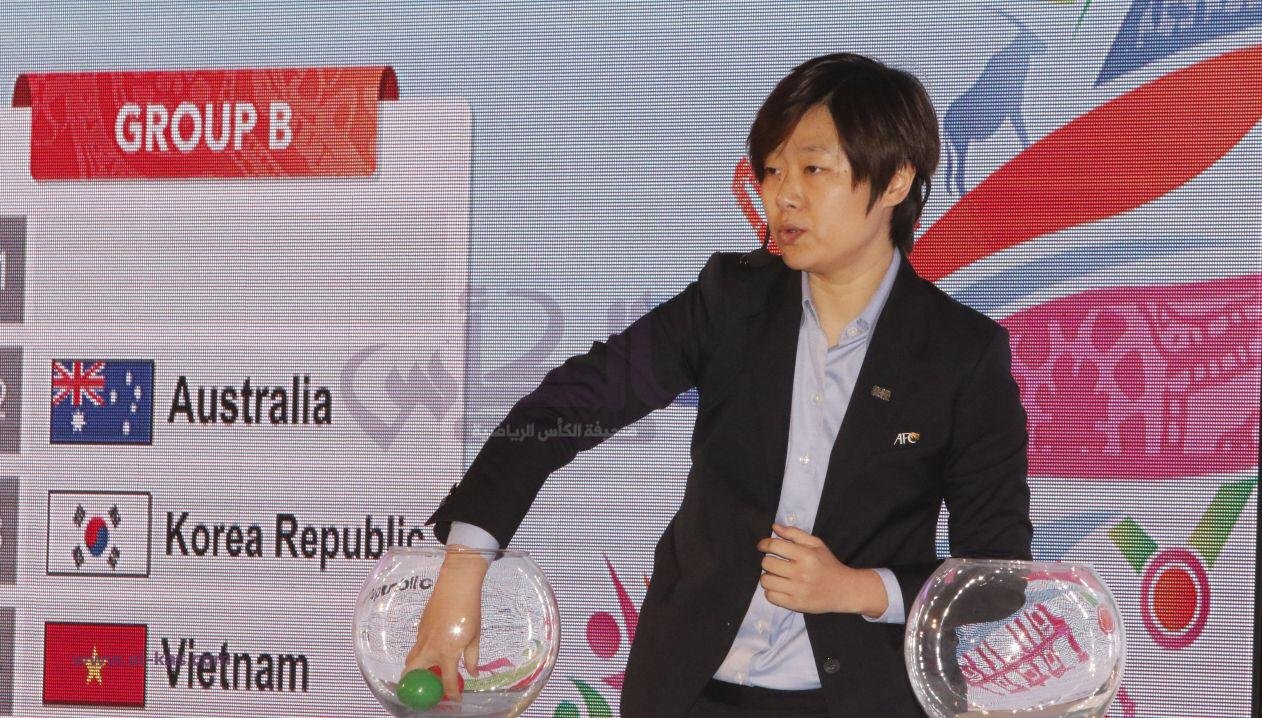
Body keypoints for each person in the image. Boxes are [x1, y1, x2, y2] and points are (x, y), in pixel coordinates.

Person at [409, 52, 1032, 717]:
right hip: (689, 694)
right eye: (772, 170)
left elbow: (997, 575)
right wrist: (465, 564)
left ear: (896, 180)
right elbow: (562, 409)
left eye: (813, 169)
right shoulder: (730, 301)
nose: (783, 195)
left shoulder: (960, 353)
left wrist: (858, 589)